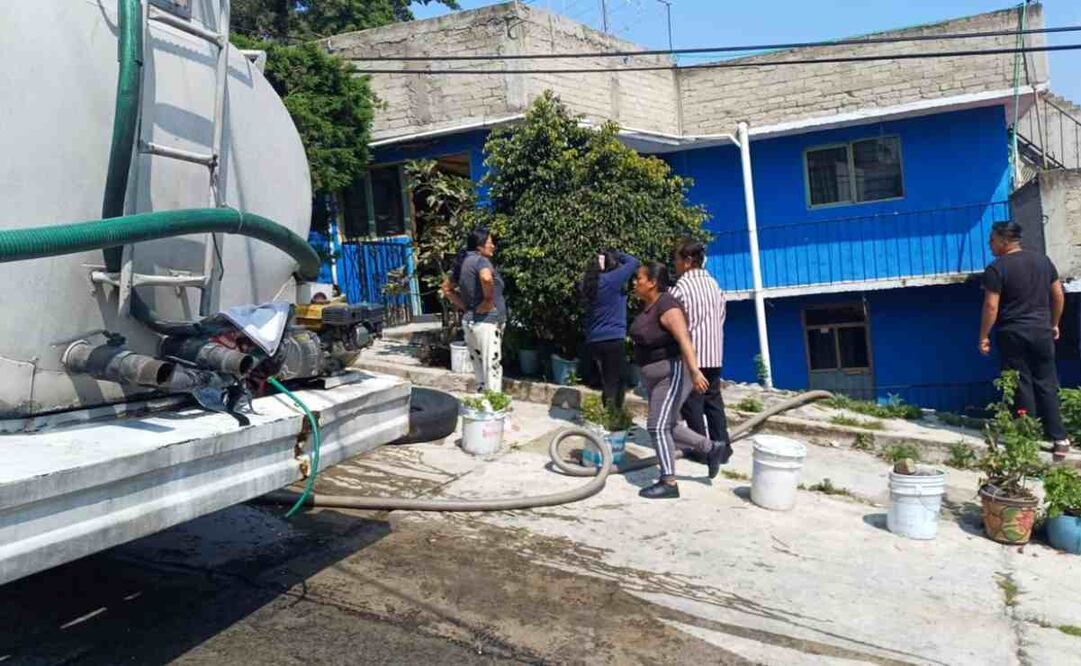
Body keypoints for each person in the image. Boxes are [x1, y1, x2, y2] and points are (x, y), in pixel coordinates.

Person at [630, 262, 732, 499]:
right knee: (671, 426)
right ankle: (712, 448)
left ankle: (669, 482)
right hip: (654, 377)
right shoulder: (649, 307)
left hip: (672, 373)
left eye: (639, 278)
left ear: (653, 282)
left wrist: (695, 371)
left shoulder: (667, 304)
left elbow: (684, 338)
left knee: (657, 426)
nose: (636, 282)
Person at [979, 221, 1071, 460]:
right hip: (1041, 331)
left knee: (1021, 384)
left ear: (1004, 241)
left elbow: (991, 306)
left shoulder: (996, 269)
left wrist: (984, 336)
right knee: (1046, 382)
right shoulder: (1043, 261)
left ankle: (1026, 437)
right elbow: (1058, 295)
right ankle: (1059, 439)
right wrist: (1054, 323)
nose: (990, 245)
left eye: (992, 240)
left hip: (1013, 333)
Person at [671, 240, 730, 448]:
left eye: (677, 259)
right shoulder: (714, 284)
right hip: (714, 352)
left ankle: (703, 448)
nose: (675, 264)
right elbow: (722, 313)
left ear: (687, 261)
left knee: (692, 403)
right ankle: (722, 445)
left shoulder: (681, 288)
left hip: (693, 356)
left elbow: (672, 319)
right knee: (713, 401)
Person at [442, 227, 506, 393]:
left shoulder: (464, 262)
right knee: (492, 366)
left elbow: (446, 289)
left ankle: (483, 403)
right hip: (487, 323)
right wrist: (488, 300)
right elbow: (486, 277)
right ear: (479, 246)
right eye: (490, 243)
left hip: (470, 322)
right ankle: (493, 406)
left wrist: (465, 306)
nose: (493, 246)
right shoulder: (481, 261)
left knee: (479, 369)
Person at [581, 249, 640, 411]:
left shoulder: (587, 283)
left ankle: (609, 414)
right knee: (616, 383)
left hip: (594, 339)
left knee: (608, 381)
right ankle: (612, 419)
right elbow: (634, 262)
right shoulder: (612, 280)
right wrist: (615, 253)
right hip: (613, 339)